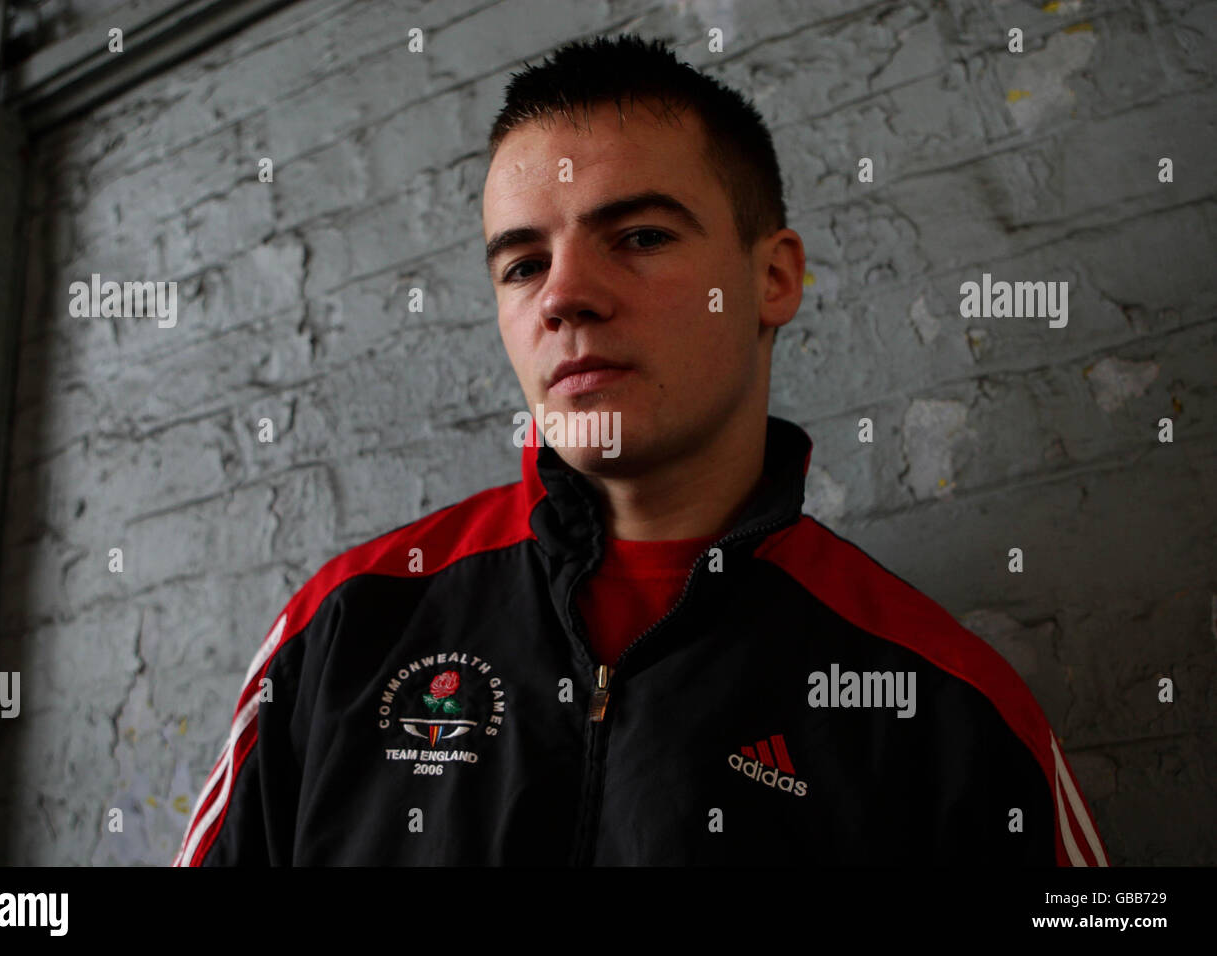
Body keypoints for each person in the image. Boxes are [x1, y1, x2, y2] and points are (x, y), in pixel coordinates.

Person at [173, 34, 1107, 866]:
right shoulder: (342, 635)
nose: (563, 296)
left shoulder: (942, 705)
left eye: (641, 236)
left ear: (773, 277)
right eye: (523, 262)